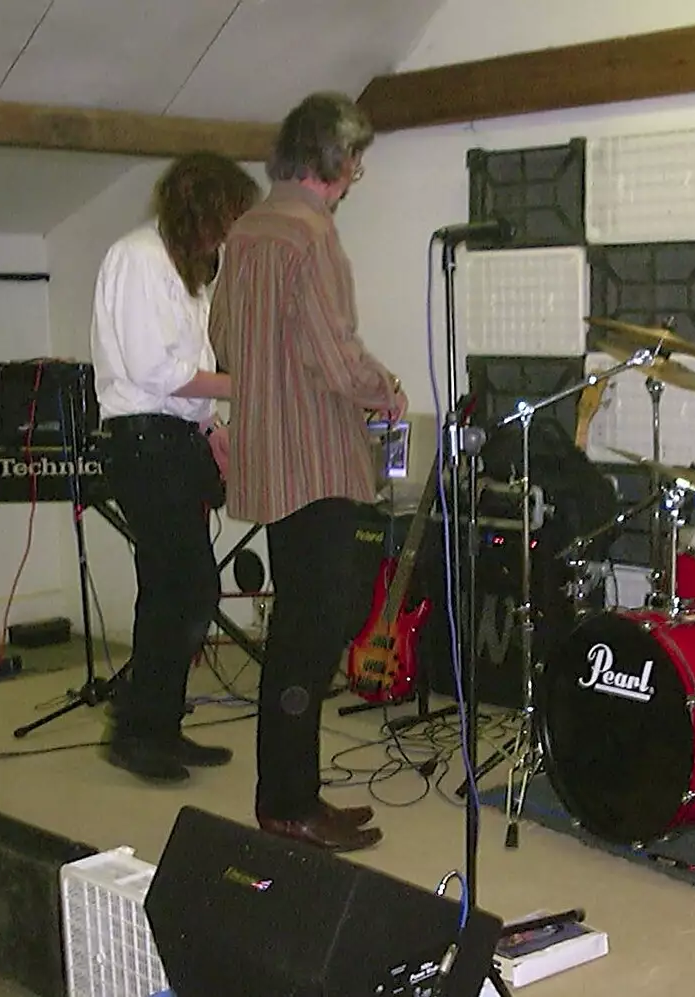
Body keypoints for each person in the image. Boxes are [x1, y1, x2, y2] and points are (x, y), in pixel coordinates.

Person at [210, 92, 405, 852]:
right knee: (315, 632)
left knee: (296, 629)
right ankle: (290, 803)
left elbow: (223, 336)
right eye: (354, 160)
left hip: (268, 458)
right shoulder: (312, 233)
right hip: (319, 461)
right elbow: (333, 353)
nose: (357, 176)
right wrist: (383, 389)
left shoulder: (248, 229)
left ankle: (289, 795)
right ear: (334, 158)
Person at [90, 152, 260, 783]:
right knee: (183, 589)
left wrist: (212, 426)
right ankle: (138, 731)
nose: (232, 232)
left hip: (172, 440)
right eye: (228, 216)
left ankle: (155, 726)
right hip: (144, 444)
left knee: (175, 589)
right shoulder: (139, 258)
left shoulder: (184, 270)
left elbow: (189, 369)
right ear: (202, 208)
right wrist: (248, 386)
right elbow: (157, 372)